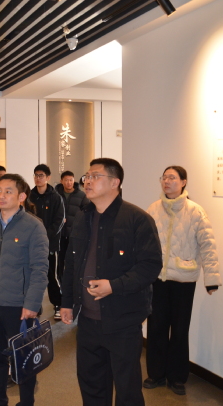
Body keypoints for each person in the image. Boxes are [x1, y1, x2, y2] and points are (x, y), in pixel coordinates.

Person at [61, 158, 162, 406]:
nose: (88, 181)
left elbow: (150, 266)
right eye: (87, 176)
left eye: (95, 176)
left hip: (123, 319)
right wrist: (67, 302)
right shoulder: (83, 217)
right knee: (91, 384)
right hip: (87, 320)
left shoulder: (137, 219)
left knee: (127, 388)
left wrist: (114, 285)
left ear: (115, 182)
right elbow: (72, 263)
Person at [0, 173, 49, 406]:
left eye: (8, 191)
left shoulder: (34, 226)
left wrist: (32, 304)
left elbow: (40, 269)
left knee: (23, 358)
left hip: (19, 305)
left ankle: (26, 402)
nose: (1, 195)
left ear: (21, 197)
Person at [143, 166, 221, 396]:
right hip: (158, 279)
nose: (166, 181)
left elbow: (208, 245)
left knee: (179, 329)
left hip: (184, 281)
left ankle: (177, 377)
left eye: (172, 178)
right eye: (164, 177)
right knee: (156, 327)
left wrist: (211, 278)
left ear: (184, 182)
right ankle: (156, 374)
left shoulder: (196, 211)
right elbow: (143, 242)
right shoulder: (153, 209)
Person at [29, 164, 65, 319]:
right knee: (33, 276)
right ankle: (35, 306)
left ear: (48, 177)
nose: (38, 178)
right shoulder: (30, 196)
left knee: (53, 276)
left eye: (41, 175)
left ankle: (58, 305)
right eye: (36, 175)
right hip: (32, 244)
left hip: (51, 244)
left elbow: (60, 221)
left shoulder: (56, 197)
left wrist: (44, 236)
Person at [55, 170, 89, 319]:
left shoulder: (81, 195)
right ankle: (63, 294)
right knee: (60, 266)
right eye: (66, 180)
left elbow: (86, 213)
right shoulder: (57, 195)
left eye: (71, 180)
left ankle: (74, 295)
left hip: (75, 236)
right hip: (60, 236)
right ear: (61, 181)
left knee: (74, 265)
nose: (68, 182)